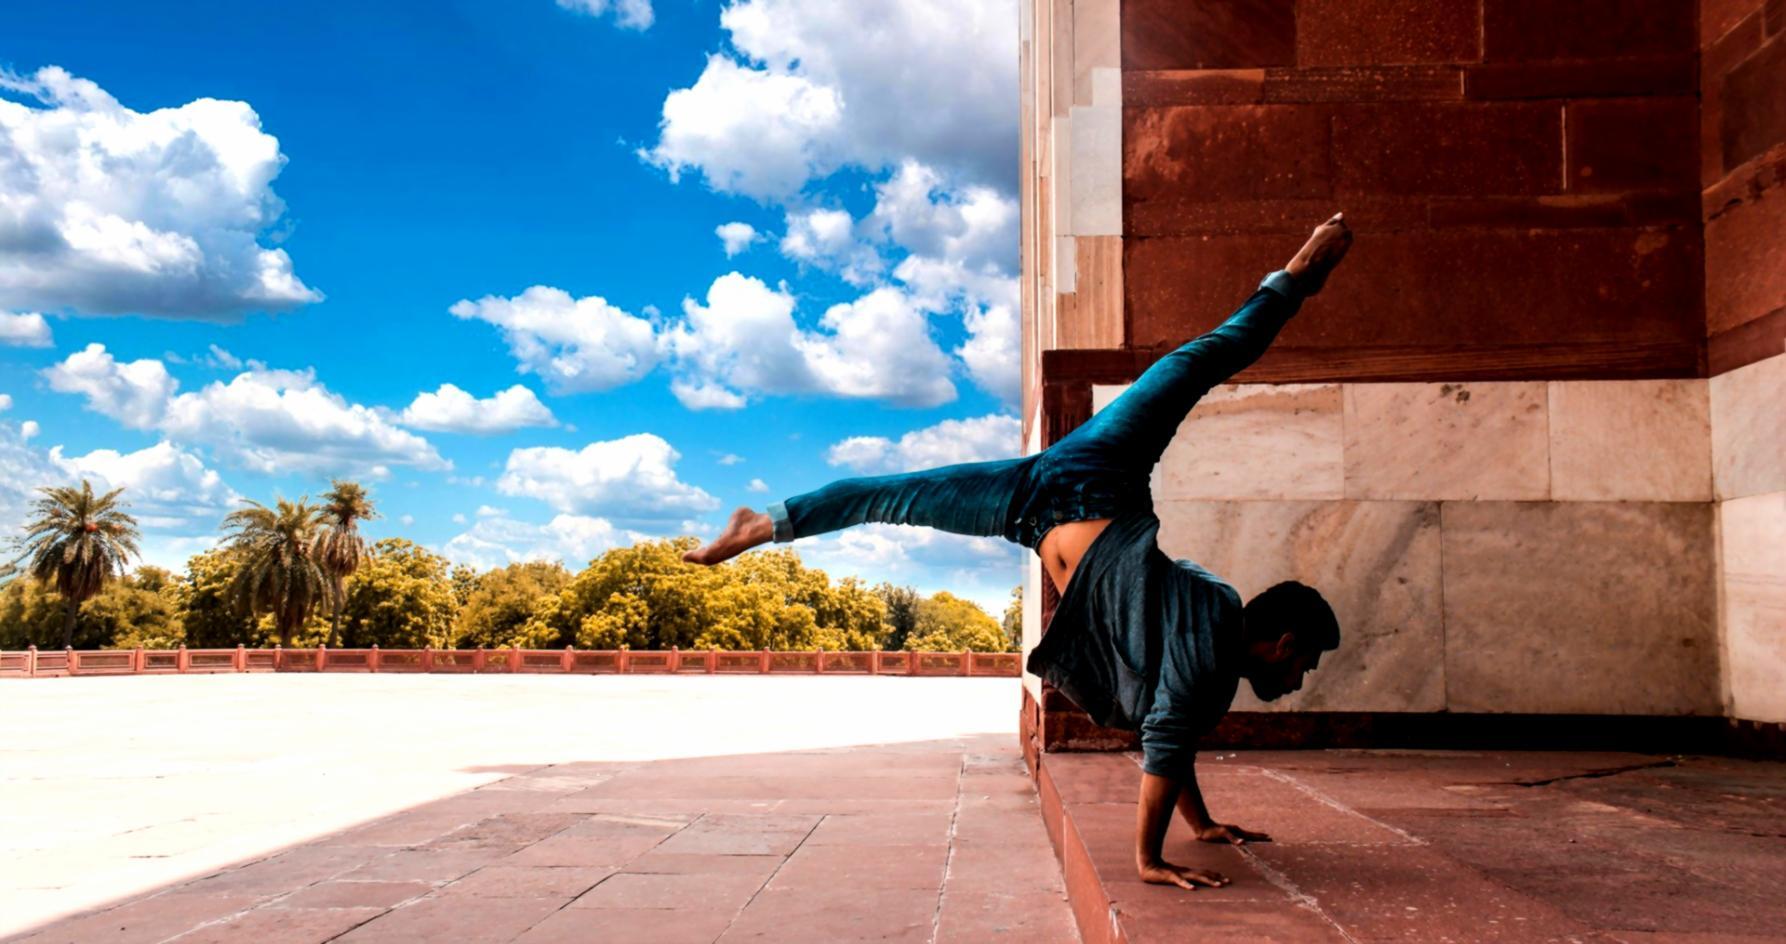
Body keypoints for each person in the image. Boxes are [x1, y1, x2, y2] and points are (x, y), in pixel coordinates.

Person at [684, 212, 1354, 892]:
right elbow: (1167, 740)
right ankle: (1294, 279)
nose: (1301, 677)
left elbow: (1171, 739)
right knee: (1194, 365)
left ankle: (767, 523)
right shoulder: (1211, 645)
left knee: (895, 495)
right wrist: (1149, 860)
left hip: (1034, 504)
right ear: (1283, 641)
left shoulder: (1209, 635)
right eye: (1305, 661)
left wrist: (1201, 824)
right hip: (1102, 474)